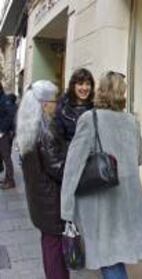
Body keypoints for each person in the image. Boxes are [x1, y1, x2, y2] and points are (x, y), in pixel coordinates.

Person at [61, 71, 142, 278]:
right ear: (121, 93)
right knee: (116, 255)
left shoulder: (89, 118)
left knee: (108, 258)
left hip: (101, 201)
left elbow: (73, 166)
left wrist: (66, 209)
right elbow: (140, 158)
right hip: (127, 199)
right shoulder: (132, 121)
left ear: (101, 91)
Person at [15, 80, 69, 279]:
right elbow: (58, 169)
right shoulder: (45, 131)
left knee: (49, 245)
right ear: (45, 103)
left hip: (40, 200)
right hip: (51, 200)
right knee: (54, 250)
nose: (58, 105)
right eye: (55, 101)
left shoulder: (29, 126)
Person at [55, 68, 95, 144]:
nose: (84, 88)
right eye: (80, 84)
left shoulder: (95, 108)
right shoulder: (62, 108)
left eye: (88, 84)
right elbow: (59, 140)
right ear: (73, 86)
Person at [0, 83, 17, 189]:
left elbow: (10, 115)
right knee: (3, 156)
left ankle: (10, 181)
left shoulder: (4, 99)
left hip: (4, 134)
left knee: (6, 157)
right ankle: (7, 178)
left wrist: (2, 131)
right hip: (3, 133)